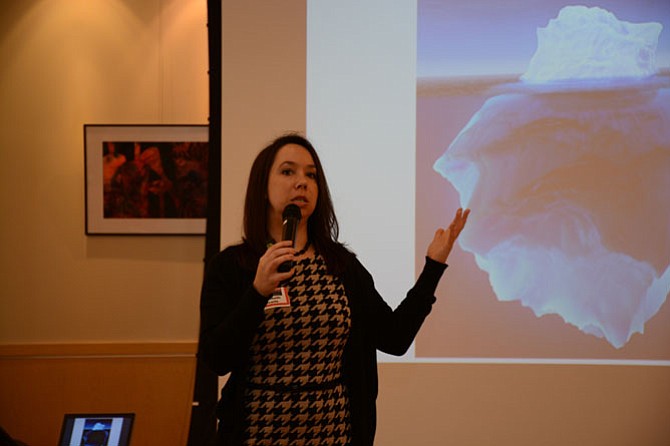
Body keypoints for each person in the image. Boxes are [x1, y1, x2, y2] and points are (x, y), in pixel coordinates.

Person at [198, 133, 470, 445]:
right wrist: (257, 292)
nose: (302, 182)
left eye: (311, 174)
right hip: (258, 434)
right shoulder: (232, 266)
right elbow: (216, 359)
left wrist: (433, 268)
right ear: (262, 186)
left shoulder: (342, 266)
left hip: (334, 435)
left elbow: (394, 337)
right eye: (288, 171)